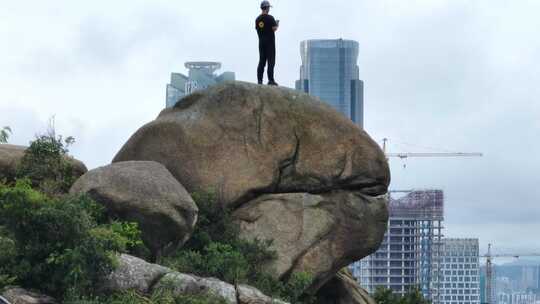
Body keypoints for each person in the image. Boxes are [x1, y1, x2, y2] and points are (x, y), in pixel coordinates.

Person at [255, 0, 279, 86]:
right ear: (267, 8)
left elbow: (258, 29)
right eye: (269, 7)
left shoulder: (257, 19)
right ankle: (271, 80)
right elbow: (274, 28)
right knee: (271, 61)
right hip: (270, 43)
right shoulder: (270, 18)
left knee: (262, 61)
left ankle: (259, 81)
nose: (269, 9)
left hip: (261, 43)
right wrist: (277, 24)